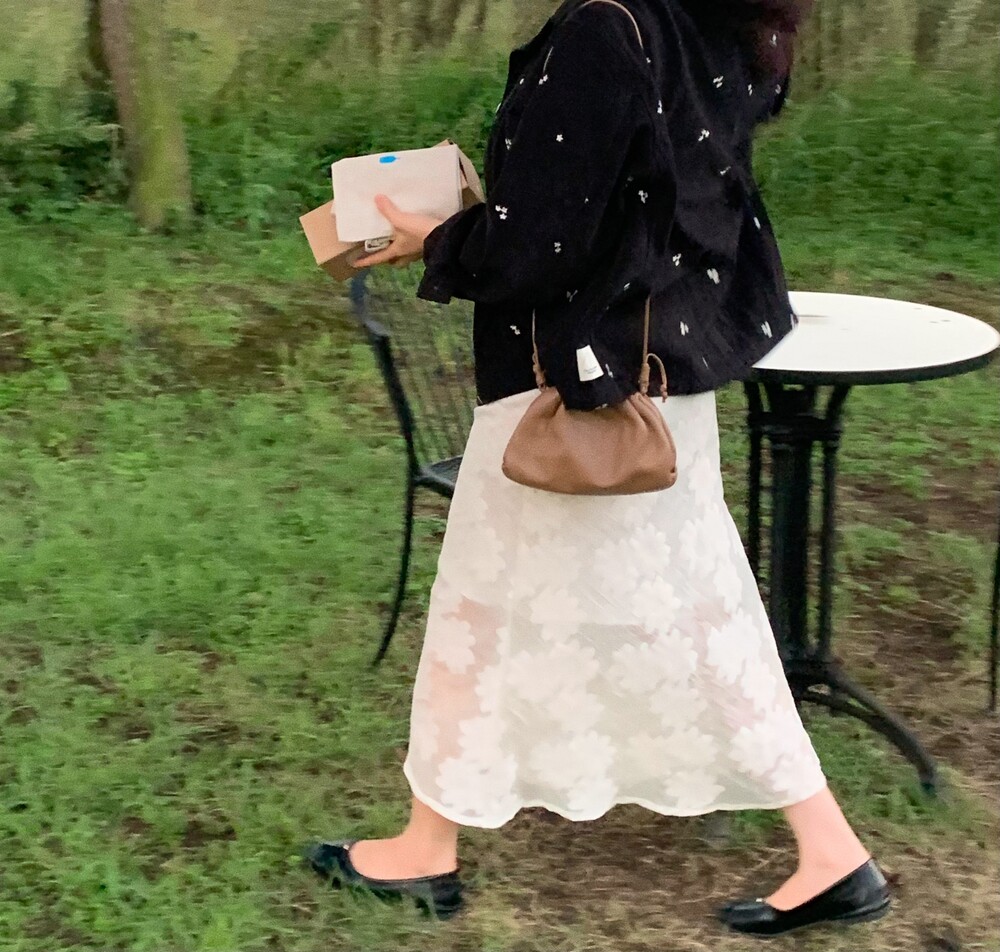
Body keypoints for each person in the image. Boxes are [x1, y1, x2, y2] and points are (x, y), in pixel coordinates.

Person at [305, 0, 892, 937]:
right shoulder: (713, 27)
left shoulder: (604, 28)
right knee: (686, 613)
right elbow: (647, 202)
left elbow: (542, 246)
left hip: (575, 394)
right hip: (657, 383)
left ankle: (426, 849)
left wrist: (436, 239)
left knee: (491, 611)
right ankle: (830, 851)